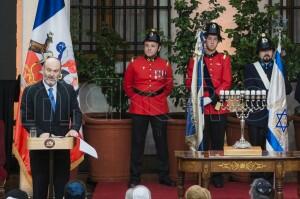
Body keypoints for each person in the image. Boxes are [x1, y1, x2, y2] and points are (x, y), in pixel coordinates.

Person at [21, 57, 82, 199]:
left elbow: (76, 112)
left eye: (55, 71)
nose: (51, 74)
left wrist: (74, 128)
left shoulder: (68, 90)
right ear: (42, 70)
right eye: (48, 70)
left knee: (61, 189)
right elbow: (26, 118)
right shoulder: (30, 91)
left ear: (60, 72)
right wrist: (41, 134)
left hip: (62, 147)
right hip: (39, 149)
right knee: (40, 189)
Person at [123, 29, 174, 188]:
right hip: (139, 107)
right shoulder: (134, 63)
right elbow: (127, 85)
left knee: (161, 142)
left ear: (158, 48)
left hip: (159, 106)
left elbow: (168, 87)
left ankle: (164, 175)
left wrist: (157, 97)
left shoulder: (165, 65)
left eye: (153, 45)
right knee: (138, 142)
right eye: (147, 45)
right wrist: (136, 98)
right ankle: (135, 177)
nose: (149, 48)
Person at [186, 22, 232, 188]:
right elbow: (189, 82)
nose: (211, 42)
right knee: (203, 142)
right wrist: (200, 97)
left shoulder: (224, 59)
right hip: (200, 108)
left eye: (215, 39)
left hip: (218, 106)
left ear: (218, 41)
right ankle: (202, 174)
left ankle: (217, 176)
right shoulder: (196, 59)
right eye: (209, 38)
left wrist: (212, 98)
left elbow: (227, 82)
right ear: (204, 40)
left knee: (218, 143)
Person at [244, 34, 292, 150]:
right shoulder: (250, 68)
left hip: (275, 117)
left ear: (273, 51)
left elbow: (288, 89)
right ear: (258, 53)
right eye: (262, 50)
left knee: (275, 154)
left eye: (269, 50)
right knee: (257, 153)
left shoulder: (279, 68)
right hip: (257, 118)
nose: (266, 53)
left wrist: (281, 76)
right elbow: (251, 91)